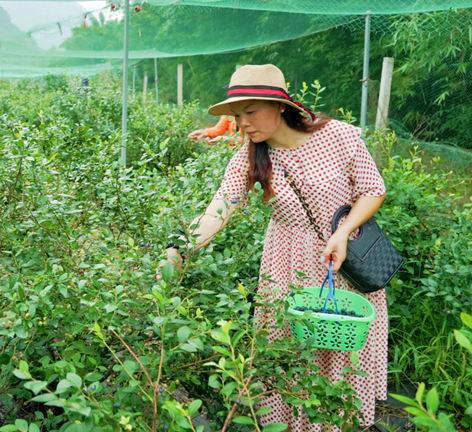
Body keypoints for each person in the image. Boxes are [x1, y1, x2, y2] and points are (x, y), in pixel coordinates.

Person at [159, 64, 388, 430]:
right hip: (287, 267)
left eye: (251, 111)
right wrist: (180, 247)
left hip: (341, 264)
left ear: (280, 105)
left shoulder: (338, 136)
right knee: (291, 355)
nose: (243, 123)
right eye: (238, 115)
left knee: (341, 352)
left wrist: (343, 232)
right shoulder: (250, 157)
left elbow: (372, 190)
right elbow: (221, 207)